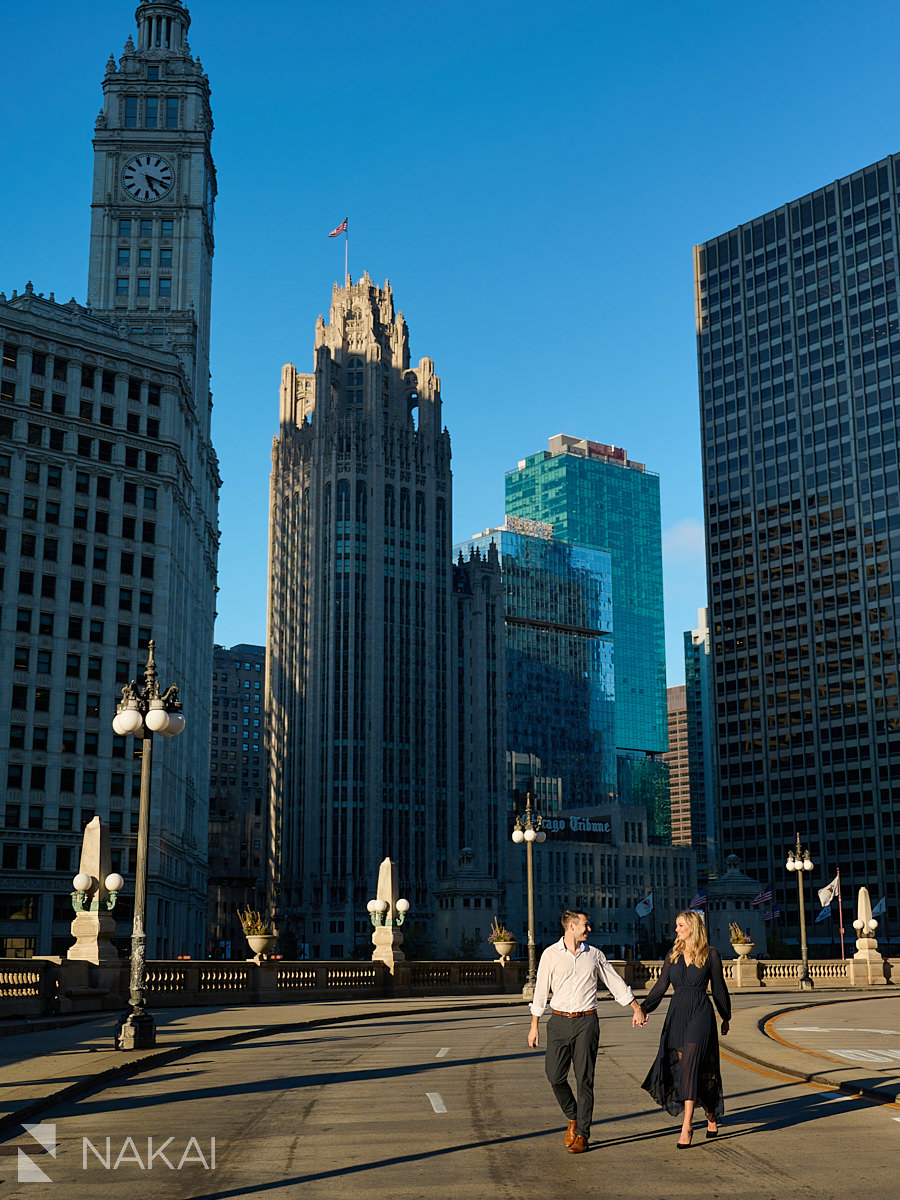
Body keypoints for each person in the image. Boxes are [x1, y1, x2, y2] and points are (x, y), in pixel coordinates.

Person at [528, 909, 647, 1153]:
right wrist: (534, 1026)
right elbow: (540, 991)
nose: (589, 929)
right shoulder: (550, 955)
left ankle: (582, 1133)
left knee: (585, 1079)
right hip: (559, 1022)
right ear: (571, 926)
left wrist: (635, 1007)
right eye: (585, 925)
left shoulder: (594, 955)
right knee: (555, 1076)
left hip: (586, 1022)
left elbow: (614, 982)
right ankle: (573, 1115)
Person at [639, 910, 731, 1148]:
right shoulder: (673, 954)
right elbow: (661, 986)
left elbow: (719, 988)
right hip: (677, 1013)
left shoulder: (711, 954)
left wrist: (726, 1016)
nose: (676, 930)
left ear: (692, 927)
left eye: (680, 925)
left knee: (690, 1064)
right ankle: (711, 1111)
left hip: (701, 1013)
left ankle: (687, 1126)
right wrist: (644, 1008)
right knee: (687, 1071)